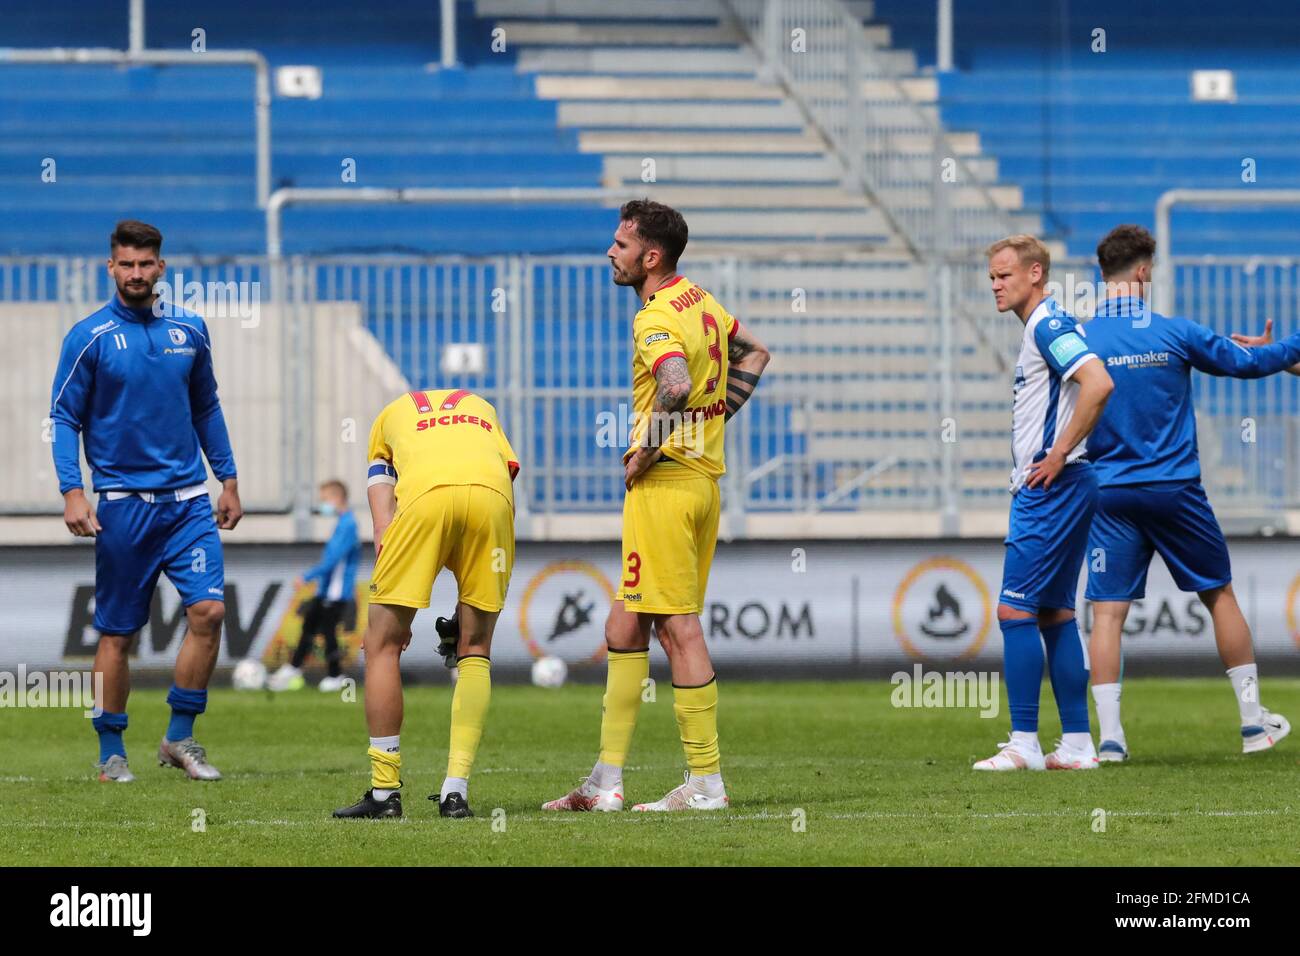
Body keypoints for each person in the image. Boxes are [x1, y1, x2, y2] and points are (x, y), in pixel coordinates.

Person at [542, 200, 770, 812]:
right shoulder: (701, 300)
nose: (609, 252)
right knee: (625, 623)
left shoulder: (656, 318)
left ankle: (706, 783)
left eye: (619, 244)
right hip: (700, 485)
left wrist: (645, 450)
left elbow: (671, 384)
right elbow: (755, 353)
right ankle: (606, 781)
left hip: (666, 490)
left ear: (650, 256)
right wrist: (710, 421)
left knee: (678, 628)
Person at [1082, 224, 1297, 759]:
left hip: (1108, 492)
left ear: (1102, 273)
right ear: (1143, 271)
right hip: (1174, 489)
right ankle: (1253, 725)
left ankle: (1110, 738)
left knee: (1107, 612)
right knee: (1218, 594)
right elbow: (1245, 365)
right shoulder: (1173, 332)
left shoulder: (1080, 340)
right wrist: (1290, 347)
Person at [50, 219, 242, 783]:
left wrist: (227, 479)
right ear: (110, 267)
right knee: (118, 633)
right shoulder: (87, 337)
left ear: (161, 267)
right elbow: (64, 418)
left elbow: (207, 407)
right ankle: (112, 750)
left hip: (188, 502)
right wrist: (72, 491)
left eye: (145, 264)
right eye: (126, 264)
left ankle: (179, 738)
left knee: (209, 612)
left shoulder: (191, 329)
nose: (136, 273)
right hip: (123, 506)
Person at [333, 389, 519, 819]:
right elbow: (505, 477)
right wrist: (463, 617)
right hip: (492, 502)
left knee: (380, 644)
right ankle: (456, 793)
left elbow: (383, 524)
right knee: (474, 648)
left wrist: (395, 611)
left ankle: (384, 795)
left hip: (424, 502)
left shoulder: (388, 417)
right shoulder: (481, 407)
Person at [973, 234, 1114, 772]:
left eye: (1004, 275)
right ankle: (1077, 744)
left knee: (1014, 611)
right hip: (1071, 483)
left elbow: (1098, 384)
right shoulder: (1046, 326)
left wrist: (1056, 454)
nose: (995, 285)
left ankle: (1023, 743)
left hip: (1051, 487)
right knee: (1054, 613)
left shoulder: (1049, 325)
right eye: (991, 276)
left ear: (1035, 274)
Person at [269, 480, 360, 692]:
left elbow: (333, 560)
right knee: (310, 624)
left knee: (328, 631)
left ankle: (336, 675)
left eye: (325, 499)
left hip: (336, 592)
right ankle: (294, 668)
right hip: (327, 590)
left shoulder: (348, 524)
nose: (323, 505)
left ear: (337, 498)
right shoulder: (342, 523)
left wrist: (307, 576)